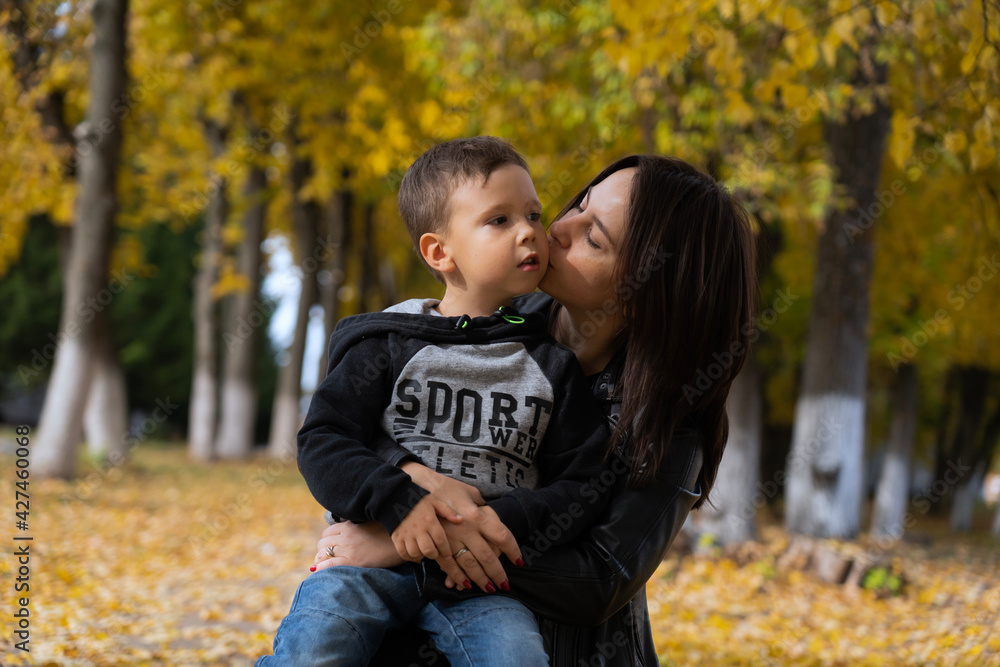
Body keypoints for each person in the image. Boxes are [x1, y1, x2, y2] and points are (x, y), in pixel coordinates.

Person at [310, 154, 758, 665]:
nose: (558, 230)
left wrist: (413, 546)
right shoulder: (491, 319)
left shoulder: (667, 428)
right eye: (579, 206)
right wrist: (410, 475)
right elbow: (357, 422)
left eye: (594, 239)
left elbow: (599, 579)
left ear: (647, 292)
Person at [258, 137, 617, 666]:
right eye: (499, 220)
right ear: (439, 252)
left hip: (478, 579)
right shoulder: (388, 341)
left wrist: (509, 520)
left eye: (534, 214)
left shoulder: (551, 364)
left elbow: (583, 483)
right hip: (369, 558)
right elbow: (324, 440)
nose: (529, 232)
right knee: (315, 650)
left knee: (517, 657)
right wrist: (395, 500)